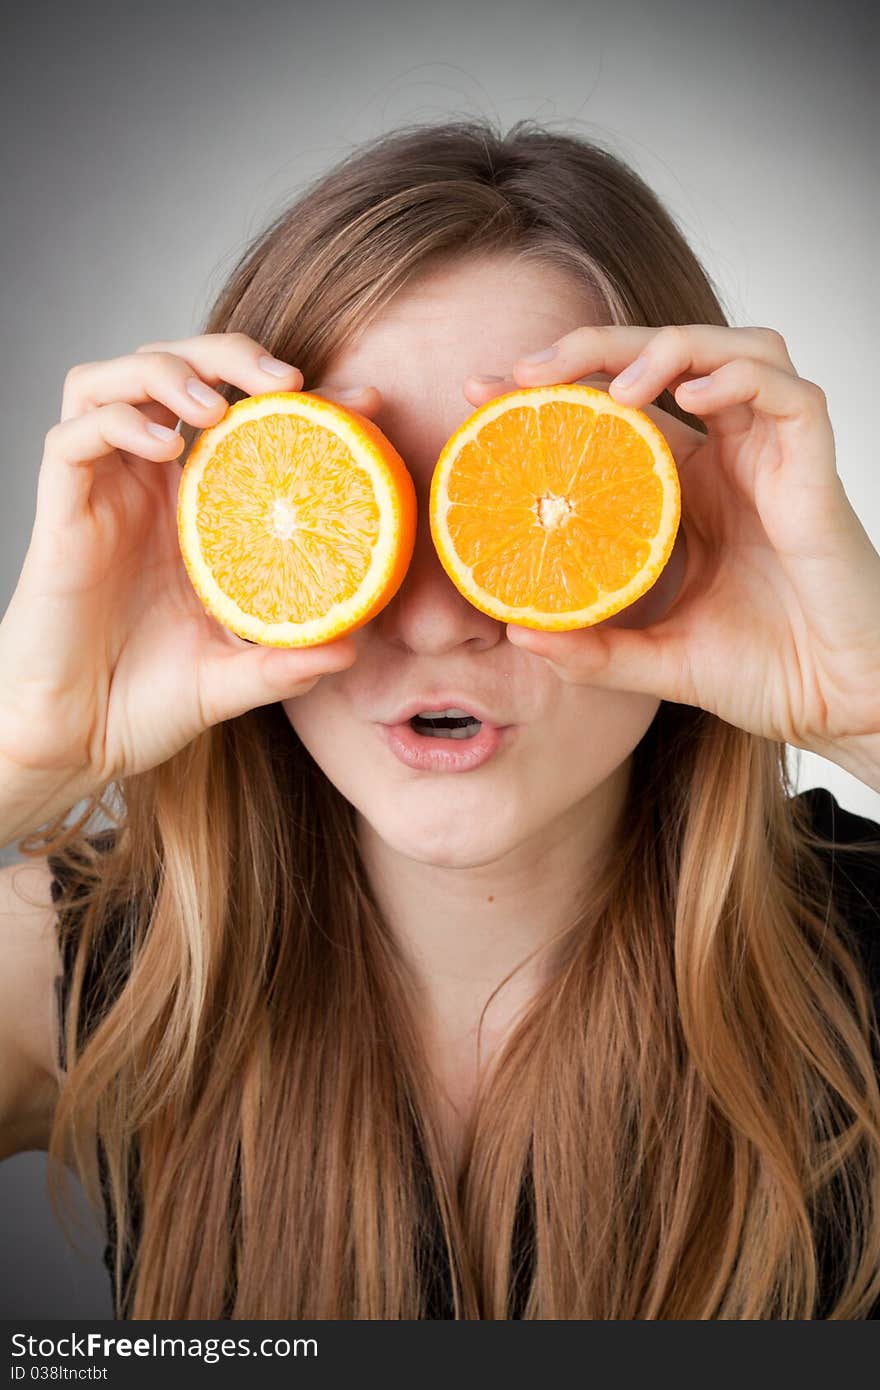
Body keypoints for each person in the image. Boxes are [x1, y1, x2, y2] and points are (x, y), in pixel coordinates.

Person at [1, 118, 879, 1321]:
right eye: (359, 510)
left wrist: (872, 702)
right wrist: (24, 747)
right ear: (236, 545)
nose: (429, 622)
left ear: (679, 531)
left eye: (526, 508)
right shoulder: (103, 963)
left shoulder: (853, 962)